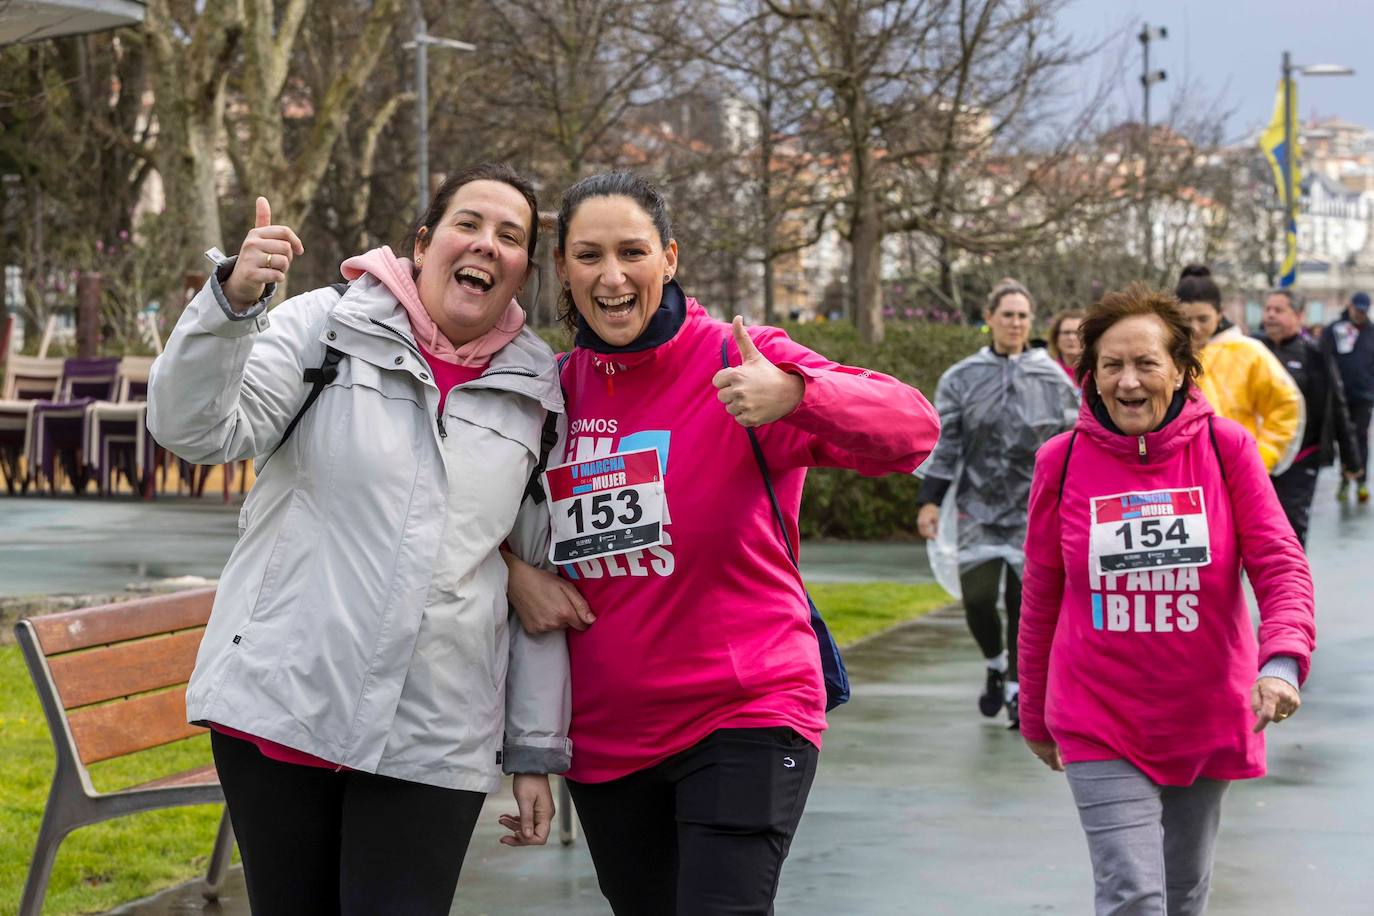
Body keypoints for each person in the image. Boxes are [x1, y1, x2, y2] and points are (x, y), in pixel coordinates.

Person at [501, 170, 940, 914]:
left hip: (743, 713)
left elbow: (913, 431)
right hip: (607, 739)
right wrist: (513, 574)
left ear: (669, 258)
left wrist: (800, 394)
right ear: (562, 271)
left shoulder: (742, 360)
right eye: (588, 256)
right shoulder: (554, 391)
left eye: (633, 252)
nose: (612, 277)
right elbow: (476, 521)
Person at [146, 163, 570, 915]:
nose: (485, 244)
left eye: (509, 237)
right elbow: (194, 429)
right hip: (286, 707)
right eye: (467, 224)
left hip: (432, 737)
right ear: (422, 242)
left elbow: (533, 586)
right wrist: (231, 304)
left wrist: (534, 750)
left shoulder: (539, 395)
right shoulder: (325, 325)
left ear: (523, 273)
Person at [1018, 283, 1315, 916]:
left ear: (1181, 369)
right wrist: (1035, 709)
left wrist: (1282, 662)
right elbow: (1041, 593)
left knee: (1182, 895)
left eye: (1146, 363)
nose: (1129, 381)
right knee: (1132, 895)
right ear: (1091, 376)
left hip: (1203, 709)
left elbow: (1279, 564)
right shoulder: (1061, 462)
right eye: (1111, 365)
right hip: (1097, 713)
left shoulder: (1226, 448)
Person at [916, 280, 1077, 729]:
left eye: (1023, 315)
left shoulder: (1052, 378)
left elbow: (1074, 442)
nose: (1015, 323)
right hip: (978, 509)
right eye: (1007, 314)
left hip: (1035, 511)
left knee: (1025, 603)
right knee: (979, 599)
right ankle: (994, 662)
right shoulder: (962, 377)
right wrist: (929, 499)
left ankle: (1016, 690)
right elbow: (944, 443)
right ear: (988, 318)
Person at [1175, 264, 1304, 476]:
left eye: (1203, 319)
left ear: (1219, 314)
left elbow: (1286, 405)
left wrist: (1260, 458)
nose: (1195, 328)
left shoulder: (1248, 352)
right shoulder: (1164, 356)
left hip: (1236, 472)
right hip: (1180, 475)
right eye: (1186, 320)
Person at [1258, 288, 1362, 545]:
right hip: (1255, 459)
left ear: (1299, 315)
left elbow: (1335, 405)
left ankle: (1292, 584)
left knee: (1288, 532)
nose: (1270, 315)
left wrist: (1351, 459)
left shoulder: (1314, 355)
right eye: (1268, 309)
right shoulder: (1252, 351)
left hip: (1301, 458)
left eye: (1278, 310)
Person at [1325, 290, 1374, 503]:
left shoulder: (1371, 332)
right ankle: (1345, 479)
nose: (1360, 314)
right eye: (1357, 309)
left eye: (1363, 311)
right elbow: (1324, 357)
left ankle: (1361, 480)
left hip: (1363, 395)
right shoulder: (1335, 330)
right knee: (1344, 439)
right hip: (1338, 396)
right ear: (1350, 306)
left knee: (1360, 437)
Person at [1048, 307, 1086, 379]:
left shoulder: (1095, 373)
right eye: (1066, 332)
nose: (1071, 338)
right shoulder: (1048, 371)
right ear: (1056, 338)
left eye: (1077, 333)